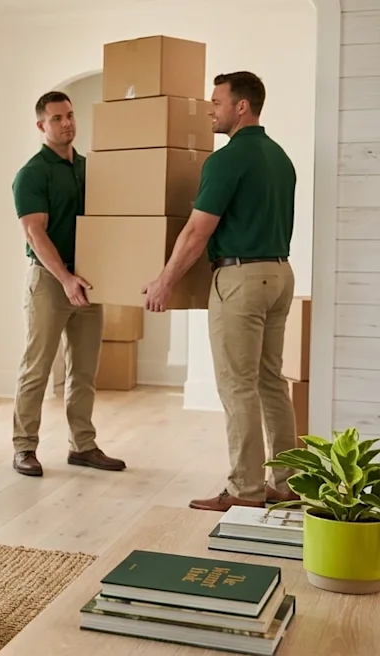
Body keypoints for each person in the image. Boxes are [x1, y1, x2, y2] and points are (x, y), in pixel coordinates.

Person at [142, 72, 301, 512]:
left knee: (237, 387)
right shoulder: (280, 157)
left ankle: (245, 490)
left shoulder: (227, 160)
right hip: (280, 274)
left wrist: (165, 281)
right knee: (271, 383)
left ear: (242, 107)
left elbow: (197, 231)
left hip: (242, 280)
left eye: (217, 102)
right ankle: (286, 485)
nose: (210, 110)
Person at [9, 91, 126, 477]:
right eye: (57, 118)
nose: (67, 123)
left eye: (71, 116)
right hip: (48, 280)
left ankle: (83, 445)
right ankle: (24, 447)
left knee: (85, 369)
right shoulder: (32, 173)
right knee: (37, 368)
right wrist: (66, 279)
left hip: (89, 280)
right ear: (41, 125)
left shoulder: (89, 168)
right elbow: (34, 233)